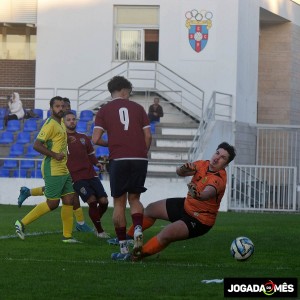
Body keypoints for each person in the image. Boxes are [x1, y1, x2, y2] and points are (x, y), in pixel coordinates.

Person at [113, 142, 236, 261]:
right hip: (186, 206)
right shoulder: (203, 164)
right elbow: (179, 172)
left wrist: (198, 195)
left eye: (223, 158)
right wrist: (183, 168)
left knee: (166, 234)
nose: (217, 158)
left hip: (199, 220)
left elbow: (207, 193)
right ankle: (128, 237)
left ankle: (137, 255)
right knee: (151, 209)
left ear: (226, 164)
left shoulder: (219, 179)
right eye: (217, 153)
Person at [92, 75, 152, 260]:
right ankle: (138, 231)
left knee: (119, 202)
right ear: (125, 91)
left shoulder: (104, 110)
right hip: (139, 158)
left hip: (119, 159)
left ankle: (123, 249)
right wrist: (142, 151)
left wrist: (113, 144)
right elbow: (148, 137)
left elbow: (94, 139)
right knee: (135, 199)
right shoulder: (139, 108)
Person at [17, 97, 94, 232]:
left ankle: (68, 236)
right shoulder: (51, 123)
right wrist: (54, 155)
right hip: (53, 167)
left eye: (62, 106)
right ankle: (21, 223)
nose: (61, 109)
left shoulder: (60, 123)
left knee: (69, 198)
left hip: (63, 168)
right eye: (57, 106)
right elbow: (37, 145)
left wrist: (67, 139)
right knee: (53, 203)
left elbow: (58, 140)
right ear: (51, 108)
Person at [64, 111, 110, 238]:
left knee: (104, 201)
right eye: (69, 119)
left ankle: (96, 222)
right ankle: (100, 231)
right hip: (76, 177)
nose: (72, 121)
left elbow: (90, 154)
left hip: (91, 174)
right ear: (64, 122)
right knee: (92, 200)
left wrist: (97, 163)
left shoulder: (83, 137)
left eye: (74, 119)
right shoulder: (61, 139)